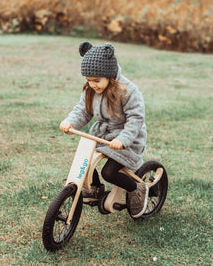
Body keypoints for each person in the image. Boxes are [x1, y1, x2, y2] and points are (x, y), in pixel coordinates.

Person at [59, 41, 148, 218]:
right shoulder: (91, 90)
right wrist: (70, 122)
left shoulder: (128, 91)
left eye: (96, 81)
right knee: (85, 159)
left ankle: (137, 188)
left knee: (109, 172)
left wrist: (123, 139)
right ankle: (94, 189)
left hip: (127, 139)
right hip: (102, 136)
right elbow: (83, 111)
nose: (92, 84)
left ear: (110, 75)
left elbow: (136, 118)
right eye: (88, 80)